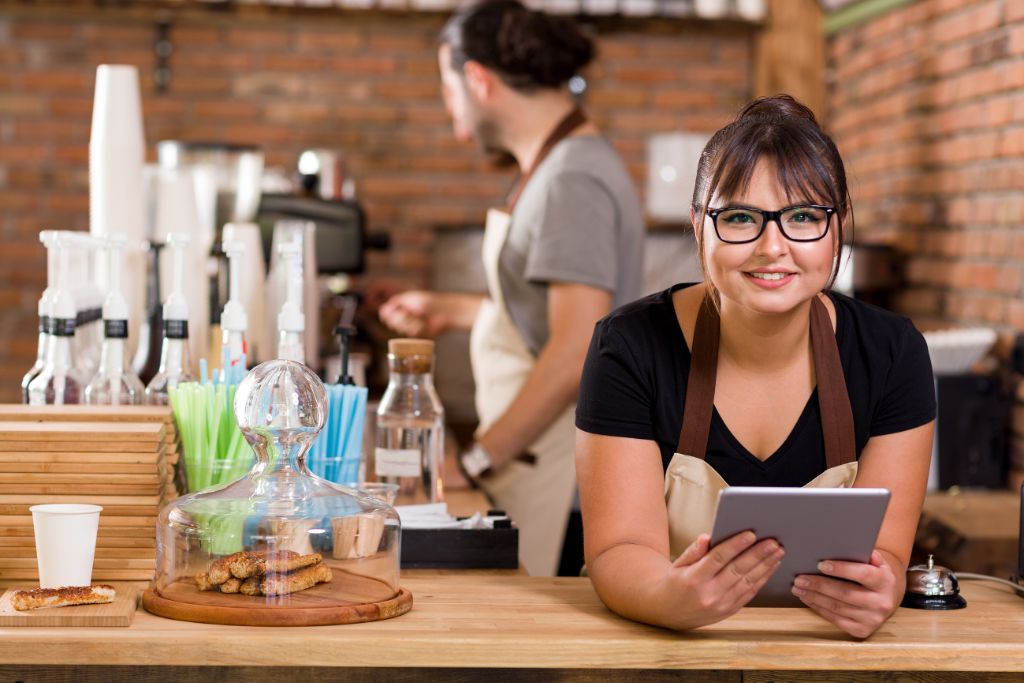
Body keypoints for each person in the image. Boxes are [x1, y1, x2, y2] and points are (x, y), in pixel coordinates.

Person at [575, 95, 935, 638]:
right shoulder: (628, 347)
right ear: (699, 226)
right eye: (740, 217)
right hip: (660, 650)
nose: (774, 247)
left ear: (836, 228)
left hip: (827, 656)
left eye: (804, 217)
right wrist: (666, 596)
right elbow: (619, 549)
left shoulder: (893, 353)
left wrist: (879, 590)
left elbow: (883, 550)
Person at [378, 0, 645, 577]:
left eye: (448, 90)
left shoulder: (571, 179)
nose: (451, 110)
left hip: (564, 474)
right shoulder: (554, 169)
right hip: (534, 460)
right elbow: (551, 316)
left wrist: (475, 458)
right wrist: (453, 311)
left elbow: (576, 350)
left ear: (478, 80)